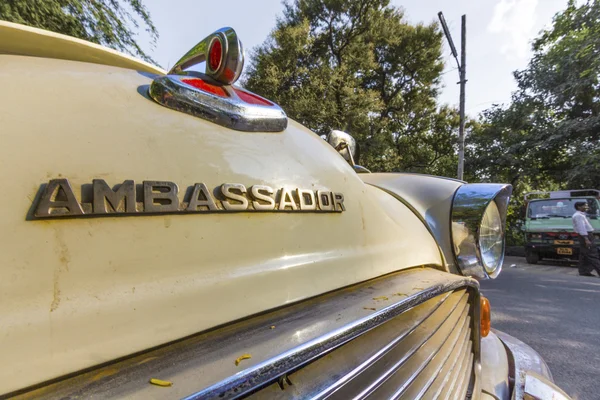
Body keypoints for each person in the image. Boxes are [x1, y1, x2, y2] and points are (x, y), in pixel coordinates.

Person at [572, 201, 600, 276]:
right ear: (579, 207)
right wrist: (586, 239)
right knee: (592, 254)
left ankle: (584, 271)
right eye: (585, 206)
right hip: (586, 236)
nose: (587, 207)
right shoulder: (578, 216)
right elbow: (582, 228)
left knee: (584, 255)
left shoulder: (581, 215)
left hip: (586, 235)